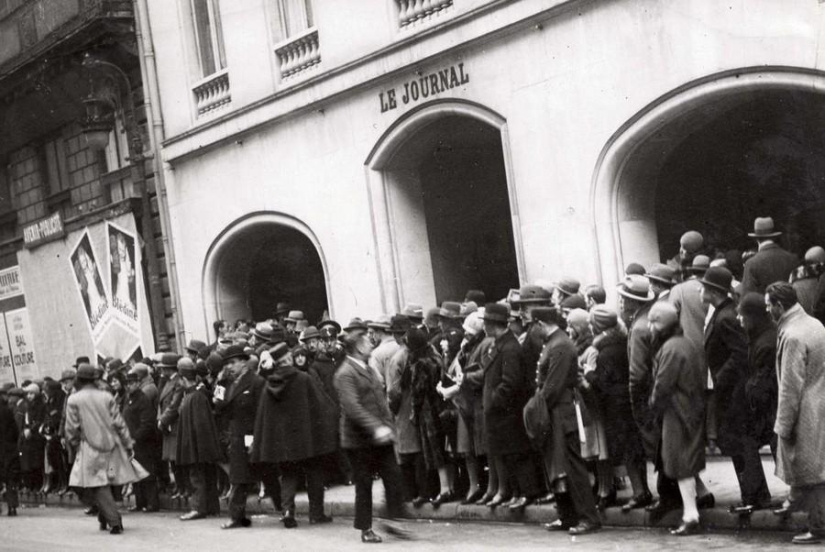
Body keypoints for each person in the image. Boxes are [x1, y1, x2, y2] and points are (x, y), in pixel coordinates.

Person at [700, 267, 769, 513]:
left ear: (712, 291)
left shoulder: (725, 317)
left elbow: (740, 353)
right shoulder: (723, 313)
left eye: (704, 287)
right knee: (738, 444)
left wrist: (721, 377)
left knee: (741, 444)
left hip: (734, 393)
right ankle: (751, 494)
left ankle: (753, 495)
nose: (701, 290)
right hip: (731, 391)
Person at [334, 330, 411, 543]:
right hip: (358, 441)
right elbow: (353, 408)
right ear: (358, 348)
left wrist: (389, 427)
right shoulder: (345, 373)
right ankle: (365, 528)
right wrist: (377, 428)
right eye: (367, 341)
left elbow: (381, 401)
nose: (372, 343)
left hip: (380, 437)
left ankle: (392, 519)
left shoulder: (368, 369)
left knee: (394, 477)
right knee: (364, 484)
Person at [251, 342, 338, 528]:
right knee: (314, 473)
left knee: (289, 475)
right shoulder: (304, 378)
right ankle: (316, 513)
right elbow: (321, 404)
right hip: (307, 438)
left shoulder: (269, 384)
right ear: (289, 359)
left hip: (284, 443)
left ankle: (288, 511)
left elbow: (264, 416)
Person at [765, 282, 825, 545]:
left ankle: (818, 527)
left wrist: (782, 426)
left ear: (779, 306)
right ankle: (795, 504)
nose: (767, 309)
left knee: (811, 473)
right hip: (820, 402)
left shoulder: (791, 336)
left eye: (769, 305)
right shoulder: (814, 324)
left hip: (805, 411)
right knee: (817, 468)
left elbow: (790, 387)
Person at [532, 306, 600, 535]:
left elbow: (553, 385)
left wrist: (536, 407)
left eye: (534, 324)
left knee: (571, 464)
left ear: (541, 323)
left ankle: (588, 517)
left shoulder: (559, 345)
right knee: (557, 464)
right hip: (555, 409)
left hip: (561, 410)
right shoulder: (555, 342)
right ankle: (567, 516)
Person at [647, 302, 706, 536]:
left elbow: (662, 385)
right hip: (688, 409)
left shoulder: (670, 348)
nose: (650, 327)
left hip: (677, 413)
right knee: (685, 463)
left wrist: (652, 407)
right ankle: (693, 510)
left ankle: (691, 515)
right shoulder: (684, 343)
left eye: (653, 322)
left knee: (681, 464)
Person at [584, 305, 650, 511]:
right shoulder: (622, 342)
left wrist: (589, 374)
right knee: (635, 449)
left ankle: (639, 493)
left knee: (628, 451)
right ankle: (643, 490)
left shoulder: (604, 353)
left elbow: (603, 385)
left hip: (616, 407)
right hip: (627, 402)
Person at [65, 363, 140, 534]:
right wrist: (127, 443)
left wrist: (75, 444)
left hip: (90, 450)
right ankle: (105, 517)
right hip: (112, 449)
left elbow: (71, 428)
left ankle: (113, 520)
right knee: (110, 479)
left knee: (95, 484)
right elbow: (119, 423)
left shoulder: (74, 399)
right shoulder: (106, 396)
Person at [480, 303, 538, 511]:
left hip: (507, 412)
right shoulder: (500, 344)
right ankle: (516, 492)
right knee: (508, 454)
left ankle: (526, 492)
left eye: (485, 322)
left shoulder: (510, 348)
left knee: (517, 453)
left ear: (492, 324)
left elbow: (510, 382)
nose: (484, 327)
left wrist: (494, 401)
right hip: (500, 413)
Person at [213, 345, 265, 529]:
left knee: (269, 474)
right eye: (227, 364)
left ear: (244, 363)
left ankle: (287, 511)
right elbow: (218, 406)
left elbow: (261, 412)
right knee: (238, 477)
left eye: (233, 362)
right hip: (236, 435)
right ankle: (236, 516)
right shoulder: (228, 383)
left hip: (253, 434)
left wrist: (257, 438)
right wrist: (219, 384)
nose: (230, 367)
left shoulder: (256, 382)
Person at [176, 358, 224, 521]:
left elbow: (199, 426)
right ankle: (211, 506)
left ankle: (198, 508)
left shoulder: (194, 397)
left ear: (183, 378)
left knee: (196, 477)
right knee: (206, 475)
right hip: (202, 446)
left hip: (197, 446)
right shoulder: (197, 395)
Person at [123, 369, 160, 512]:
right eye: (127, 383)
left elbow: (147, 423)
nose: (128, 386)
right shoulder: (129, 399)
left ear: (138, 383)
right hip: (130, 442)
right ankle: (140, 502)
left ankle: (152, 503)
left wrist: (136, 438)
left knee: (147, 472)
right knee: (135, 473)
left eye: (131, 383)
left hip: (143, 443)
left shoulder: (143, 399)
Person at [741, 217, 799, 296]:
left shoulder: (751, 263)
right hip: (791, 307)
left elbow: (747, 299)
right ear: (774, 237)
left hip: (765, 307)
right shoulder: (793, 259)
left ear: (756, 239)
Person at [0, 386, 19, 515]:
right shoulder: (7, 410)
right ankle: (12, 507)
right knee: (11, 479)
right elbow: (15, 430)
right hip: (9, 449)